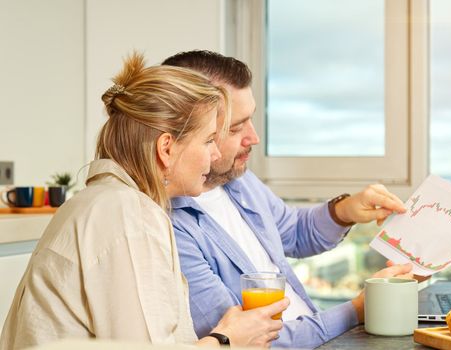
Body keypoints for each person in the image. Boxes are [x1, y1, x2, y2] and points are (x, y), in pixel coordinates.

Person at [0, 53, 288, 350]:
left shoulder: (108, 202)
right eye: (208, 140)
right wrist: (227, 340)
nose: (215, 155)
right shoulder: (128, 215)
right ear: (166, 148)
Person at [163, 50, 415, 349]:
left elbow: (292, 231)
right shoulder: (169, 228)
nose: (253, 138)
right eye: (235, 127)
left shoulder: (235, 178)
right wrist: (360, 309)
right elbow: (257, 340)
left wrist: (344, 211)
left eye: (251, 120)